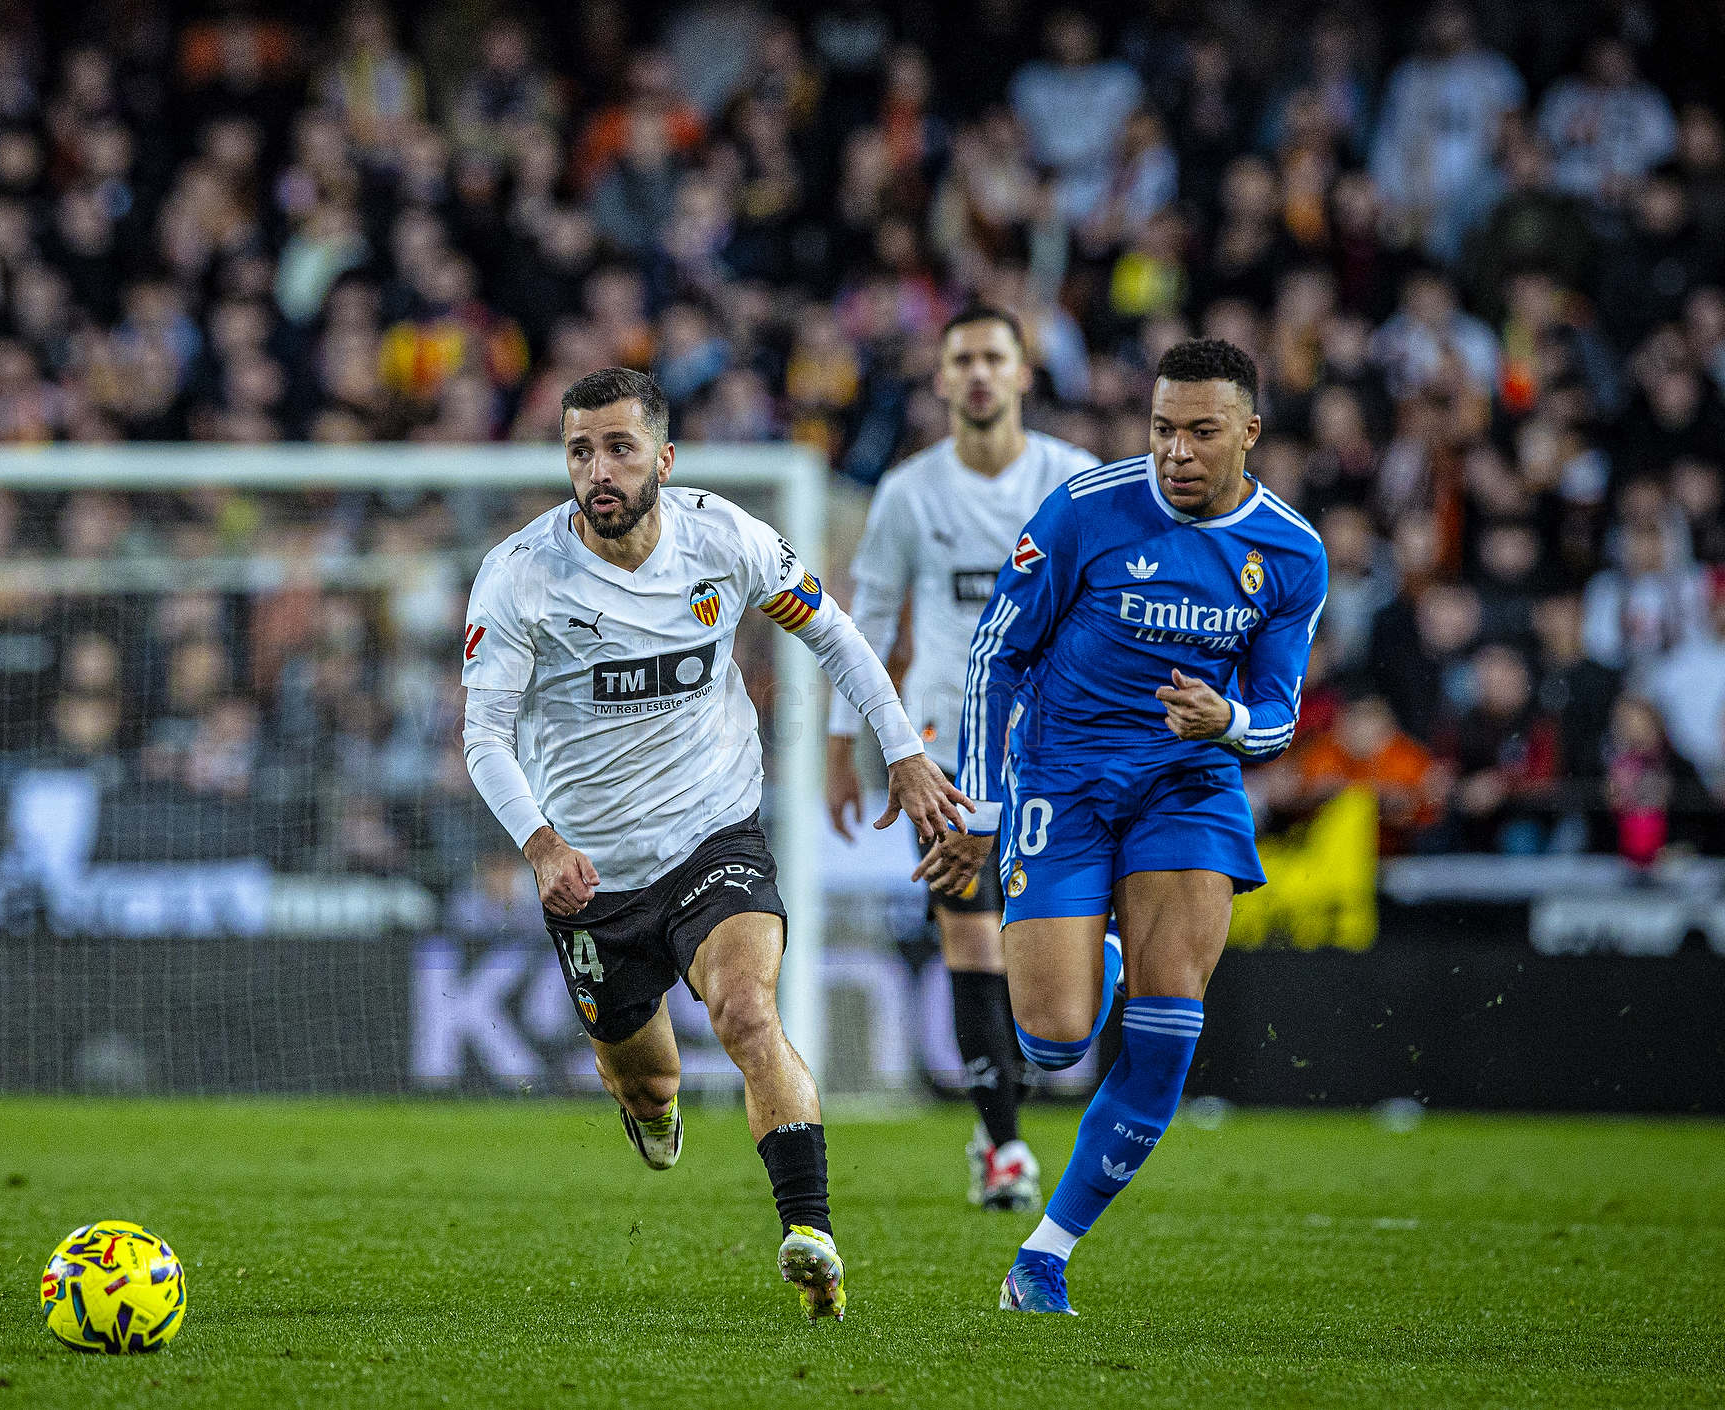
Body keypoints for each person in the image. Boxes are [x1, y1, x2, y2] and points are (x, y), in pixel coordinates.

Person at [461, 367, 966, 1321]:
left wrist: (898, 750)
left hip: (713, 833)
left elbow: (835, 634)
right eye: (579, 451)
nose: (598, 470)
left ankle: (809, 1231)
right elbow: (483, 734)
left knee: (745, 1012)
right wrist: (539, 845)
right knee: (645, 1081)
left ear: (664, 455)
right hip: (590, 872)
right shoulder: (521, 575)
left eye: (617, 447)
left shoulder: (724, 538)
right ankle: (652, 1109)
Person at [921, 339, 1328, 1314]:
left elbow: (1277, 714)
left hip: (1187, 788)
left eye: (1199, 431)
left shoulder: (1289, 553)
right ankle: (1093, 957)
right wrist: (976, 804)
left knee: (1164, 1031)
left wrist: (1224, 722)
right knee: (1055, 1040)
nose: (1175, 451)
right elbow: (994, 656)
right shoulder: (1085, 510)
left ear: (1247, 433)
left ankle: (1045, 1255)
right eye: (1160, 429)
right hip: (1060, 785)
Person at [824, 303, 1102, 1213]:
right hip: (948, 742)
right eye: (962, 360)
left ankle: (1002, 1118)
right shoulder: (908, 492)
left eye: (994, 357)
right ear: (941, 381)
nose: (979, 374)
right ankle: (1007, 1144)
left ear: (1024, 374)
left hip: (1060, 745)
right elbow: (861, 627)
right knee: (969, 933)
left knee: (1044, 953)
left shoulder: (1078, 482)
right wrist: (840, 744)